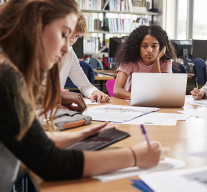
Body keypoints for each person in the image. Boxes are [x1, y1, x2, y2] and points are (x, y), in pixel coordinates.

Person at [0, 1, 167, 191]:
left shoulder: (8, 70)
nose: (66, 48)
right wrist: (134, 156)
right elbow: (49, 162)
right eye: (64, 34)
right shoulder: (6, 77)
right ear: (34, 26)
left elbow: (30, 140)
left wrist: (80, 136)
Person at [113, 25, 177, 99]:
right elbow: (117, 90)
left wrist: (157, 61)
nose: (149, 50)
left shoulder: (166, 61)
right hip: (133, 103)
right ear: (137, 47)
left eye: (154, 46)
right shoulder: (129, 60)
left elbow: (162, 90)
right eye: (144, 46)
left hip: (158, 103)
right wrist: (140, 97)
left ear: (161, 47)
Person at [60, 14, 110, 103]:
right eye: (70, 34)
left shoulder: (70, 52)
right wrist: (60, 93)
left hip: (53, 107)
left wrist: (95, 92)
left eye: (77, 36)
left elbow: (83, 83)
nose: (72, 40)